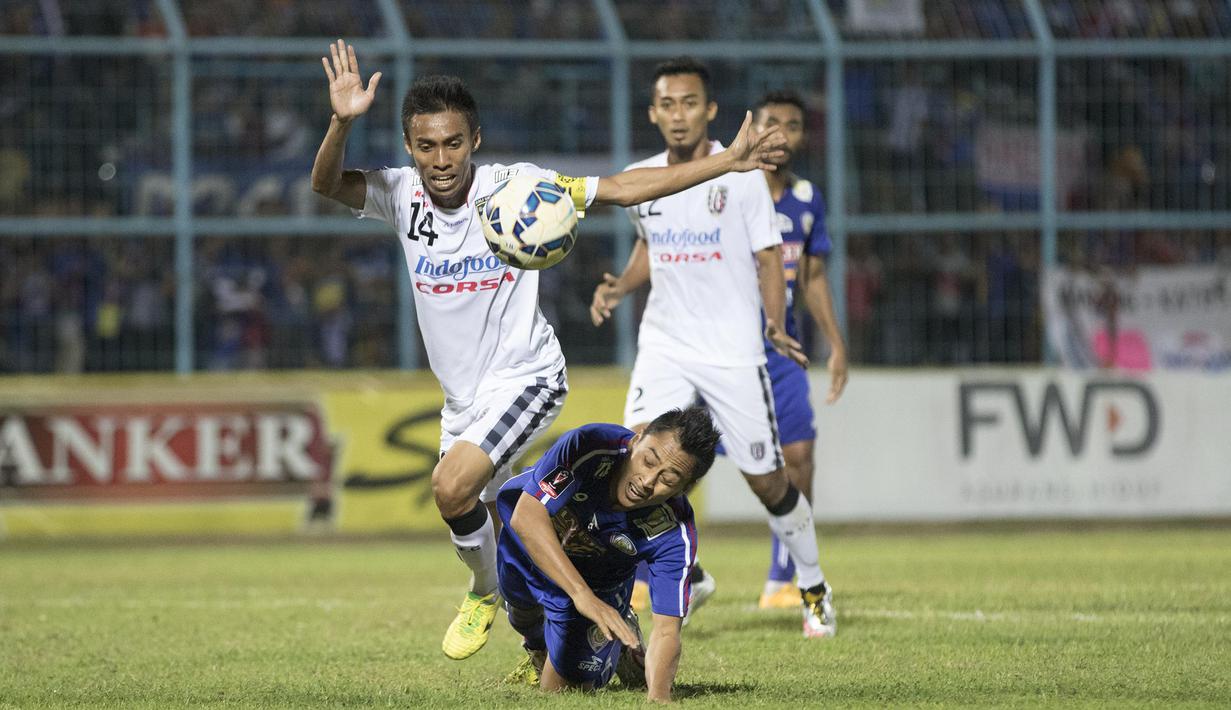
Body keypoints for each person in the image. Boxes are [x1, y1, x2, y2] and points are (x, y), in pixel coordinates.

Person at [310, 40, 786, 661]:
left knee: (451, 489)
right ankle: (544, 630)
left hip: (527, 376)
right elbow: (325, 184)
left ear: (475, 140)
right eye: (426, 146)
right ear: (409, 147)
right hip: (463, 398)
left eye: (453, 143)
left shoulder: (522, 187)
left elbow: (621, 187)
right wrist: (342, 122)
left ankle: (488, 594)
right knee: (502, 522)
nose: (441, 159)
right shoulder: (400, 194)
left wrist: (725, 165)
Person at [589, 57, 834, 638]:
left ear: (711, 110)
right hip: (666, 345)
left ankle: (814, 586)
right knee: (635, 458)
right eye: (667, 105)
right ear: (653, 113)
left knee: (768, 482)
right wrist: (623, 285)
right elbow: (653, 243)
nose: (678, 115)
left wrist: (775, 323)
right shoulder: (642, 176)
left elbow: (769, 255)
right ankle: (688, 577)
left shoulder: (743, 175)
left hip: (732, 350)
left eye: (690, 103)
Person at [496, 407, 719, 702]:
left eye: (669, 478)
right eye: (648, 460)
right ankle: (537, 647)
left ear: (685, 488)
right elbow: (526, 516)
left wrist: (659, 698)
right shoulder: (589, 445)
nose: (648, 481)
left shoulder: (674, 533)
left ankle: (621, 646)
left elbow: (667, 630)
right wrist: (581, 595)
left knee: (562, 691)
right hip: (528, 543)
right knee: (521, 612)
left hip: (599, 581)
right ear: (636, 440)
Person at [748, 90, 848, 610]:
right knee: (672, 454)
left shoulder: (807, 198)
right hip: (719, 348)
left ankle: (781, 578)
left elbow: (810, 275)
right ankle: (654, 572)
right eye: (771, 124)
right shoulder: (727, 189)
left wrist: (835, 342)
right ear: (753, 127)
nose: (780, 135)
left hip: (782, 350)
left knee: (800, 458)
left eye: (791, 126)